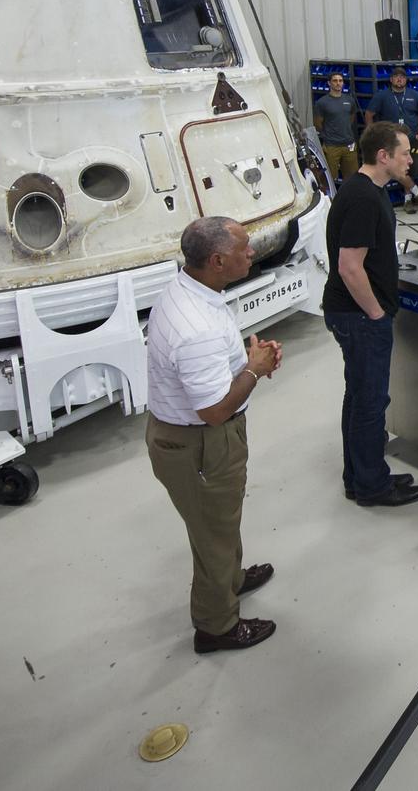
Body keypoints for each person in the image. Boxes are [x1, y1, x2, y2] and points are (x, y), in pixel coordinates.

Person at [145, 216, 285, 653]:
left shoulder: (195, 289)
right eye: (244, 248)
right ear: (218, 259)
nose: (252, 252)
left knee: (219, 523)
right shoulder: (195, 327)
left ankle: (233, 579)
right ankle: (216, 626)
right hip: (201, 444)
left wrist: (245, 360)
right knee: (213, 536)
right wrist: (254, 370)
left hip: (199, 440)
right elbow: (214, 409)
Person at [325, 122, 418, 510]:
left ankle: (359, 476)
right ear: (383, 156)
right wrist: (376, 313)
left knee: (358, 397)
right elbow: (350, 266)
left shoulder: (365, 190)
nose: (410, 160)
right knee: (370, 403)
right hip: (359, 317)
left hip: (352, 315)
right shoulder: (365, 198)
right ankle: (372, 486)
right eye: (405, 153)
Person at [366, 67, 418, 210]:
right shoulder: (382, 96)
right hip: (391, 142)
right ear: (391, 79)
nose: (399, 79)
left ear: (406, 80)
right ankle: (415, 195)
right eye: (396, 77)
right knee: (398, 170)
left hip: (412, 140)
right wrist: (373, 133)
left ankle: (410, 198)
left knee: (415, 170)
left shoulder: (414, 95)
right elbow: (369, 114)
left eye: (402, 77)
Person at [312, 72, 359, 187]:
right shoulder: (322, 103)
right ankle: (329, 201)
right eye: (335, 81)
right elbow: (318, 124)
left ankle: (350, 201)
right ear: (329, 83)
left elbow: (351, 118)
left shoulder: (349, 100)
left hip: (349, 145)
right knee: (329, 177)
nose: (338, 83)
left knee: (353, 177)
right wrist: (330, 135)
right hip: (332, 146)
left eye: (340, 81)